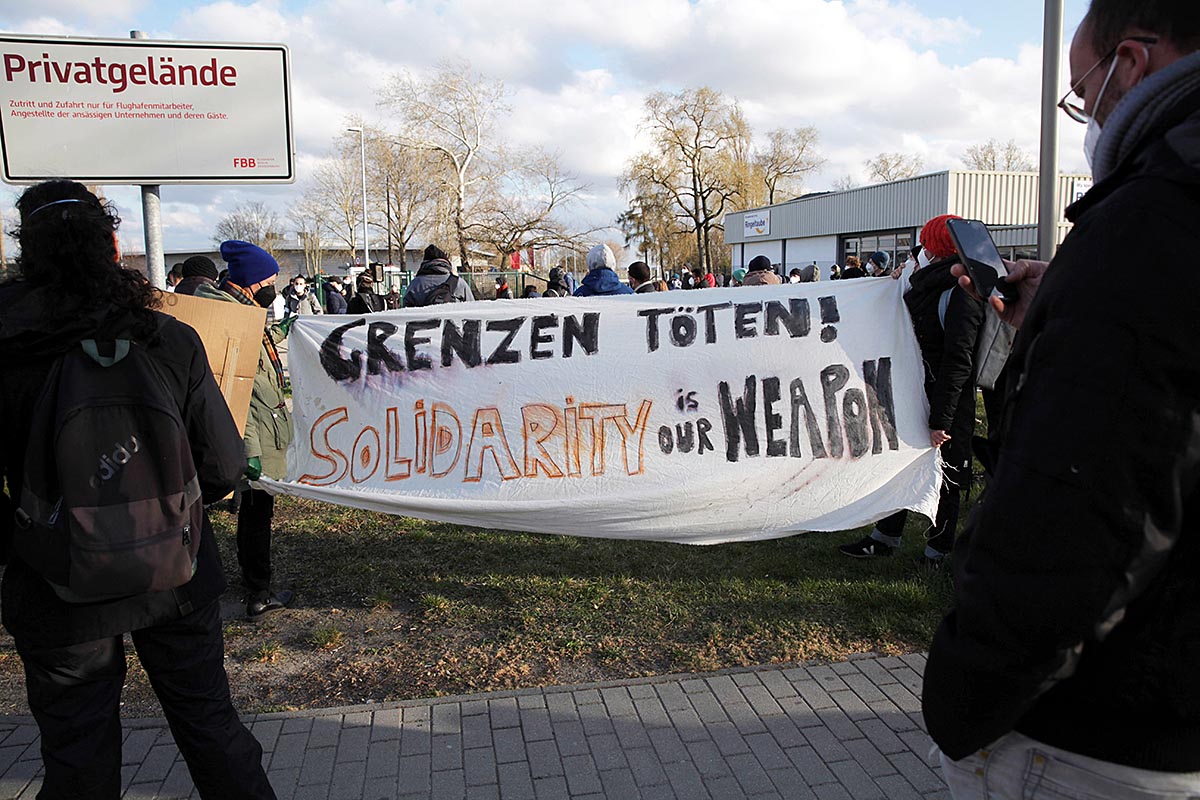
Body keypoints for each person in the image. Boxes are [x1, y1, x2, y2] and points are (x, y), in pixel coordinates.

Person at [923, 3, 1200, 797]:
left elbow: (1078, 507)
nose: (1086, 115)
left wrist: (965, 691)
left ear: (1133, 64)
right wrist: (1067, 307)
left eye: (1083, 92)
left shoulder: (1151, 220)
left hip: (1094, 732)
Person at [0, 182, 276, 799]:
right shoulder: (169, 339)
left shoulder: (8, 344)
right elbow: (225, 466)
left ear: (28, 249)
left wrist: (26, 540)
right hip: (173, 568)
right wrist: (164, 509)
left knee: (78, 756)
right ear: (111, 246)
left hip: (56, 579)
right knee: (210, 728)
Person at [838, 214, 982, 566]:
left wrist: (941, 420)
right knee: (901, 466)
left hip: (945, 399)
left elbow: (958, 360)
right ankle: (886, 536)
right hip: (914, 391)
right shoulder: (922, 283)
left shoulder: (962, 291)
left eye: (925, 246)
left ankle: (939, 551)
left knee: (946, 473)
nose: (919, 253)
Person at [196, 241, 295, 621]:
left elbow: (256, 354)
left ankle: (252, 581)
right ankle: (259, 592)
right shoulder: (235, 319)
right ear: (253, 282)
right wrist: (249, 449)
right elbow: (240, 394)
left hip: (253, 434)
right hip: (250, 437)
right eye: (270, 279)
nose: (275, 286)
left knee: (254, 515)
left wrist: (283, 332)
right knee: (256, 515)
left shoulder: (243, 313)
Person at [404, 245, 475, 306]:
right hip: (452, 321)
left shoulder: (415, 284)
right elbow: (472, 310)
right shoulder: (458, 283)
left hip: (421, 321)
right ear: (446, 263)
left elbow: (405, 312)